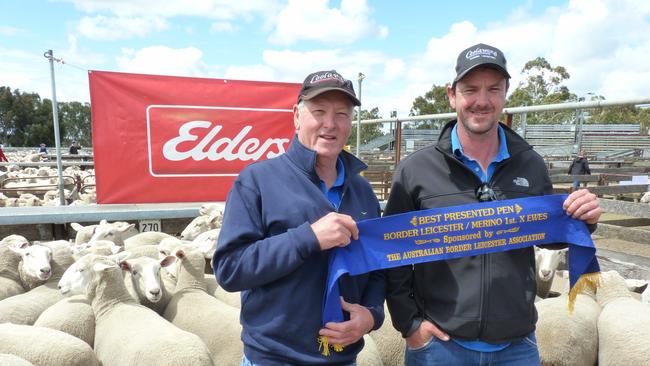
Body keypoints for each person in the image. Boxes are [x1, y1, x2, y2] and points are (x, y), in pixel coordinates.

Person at [384, 43, 602, 366]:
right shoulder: (416, 170)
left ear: (505, 93)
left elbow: (547, 234)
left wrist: (581, 218)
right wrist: (410, 325)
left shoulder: (530, 164)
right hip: (440, 348)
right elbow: (393, 251)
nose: (482, 101)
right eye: (470, 89)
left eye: (493, 89)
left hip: (516, 348)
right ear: (452, 95)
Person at [213, 70, 385, 366]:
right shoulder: (257, 181)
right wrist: (308, 238)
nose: (330, 124)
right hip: (273, 359)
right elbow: (230, 269)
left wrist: (371, 315)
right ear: (296, 116)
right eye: (319, 111)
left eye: (342, 114)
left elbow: (377, 266)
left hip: (343, 359)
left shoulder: (362, 190)